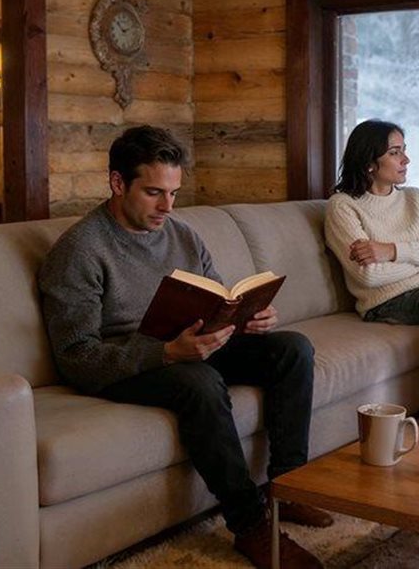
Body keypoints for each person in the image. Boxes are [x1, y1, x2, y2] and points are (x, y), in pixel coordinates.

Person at [38, 126, 327, 569]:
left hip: (189, 344)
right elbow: (77, 357)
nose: (167, 207)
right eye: (154, 192)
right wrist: (168, 353)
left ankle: (286, 488)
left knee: (292, 349)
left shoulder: (183, 234)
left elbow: (216, 297)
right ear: (118, 183)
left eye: (173, 193)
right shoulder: (80, 250)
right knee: (200, 382)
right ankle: (250, 525)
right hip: (130, 364)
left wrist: (247, 319)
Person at [324, 119, 419, 325]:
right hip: (390, 300)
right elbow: (369, 275)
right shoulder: (343, 206)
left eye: (404, 150)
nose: (406, 160)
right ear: (368, 162)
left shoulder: (418, 198)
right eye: (394, 153)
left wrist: (391, 252)